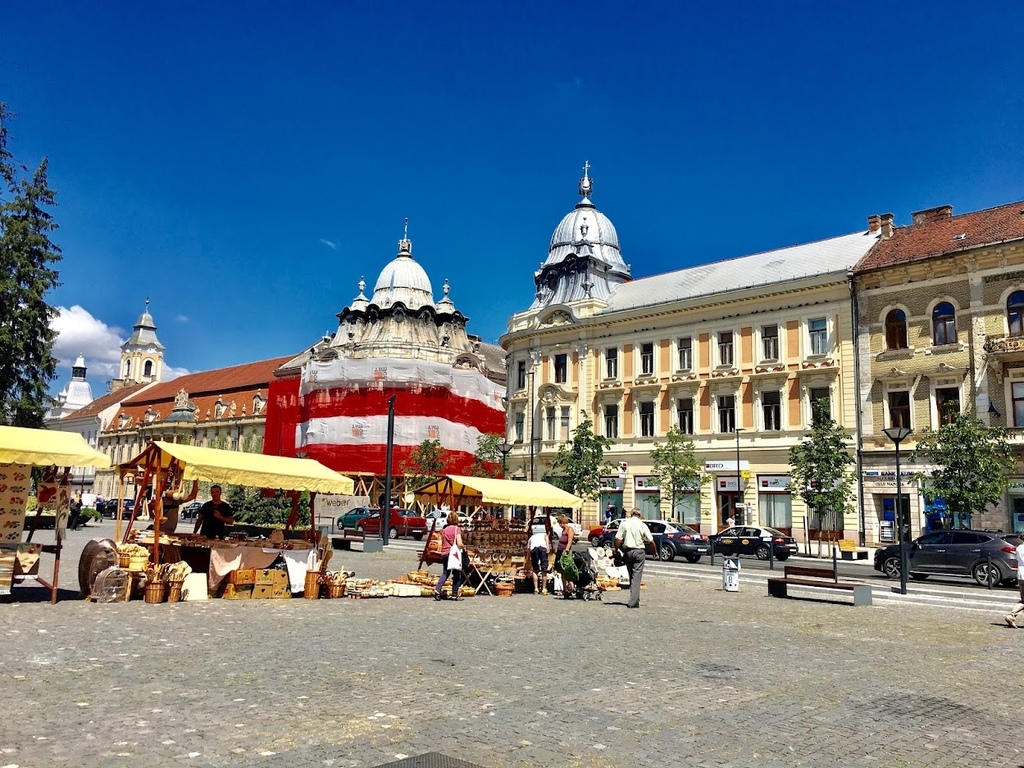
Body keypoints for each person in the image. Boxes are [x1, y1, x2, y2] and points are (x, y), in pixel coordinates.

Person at [614, 508, 655, 609]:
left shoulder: (624, 523)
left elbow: (618, 539)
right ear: (640, 515)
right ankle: (633, 601)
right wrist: (655, 552)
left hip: (628, 551)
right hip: (639, 552)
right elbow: (651, 541)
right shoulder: (642, 525)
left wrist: (616, 550)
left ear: (631, 514)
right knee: (636, 577)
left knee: (631, 575)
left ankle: (635, 599)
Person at [434, 511, 465, 601]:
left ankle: (437, 589)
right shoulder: (457, 529)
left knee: (445, 572)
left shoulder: (444, 530)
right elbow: (459, 543)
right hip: (453, 554)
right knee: (456, 574)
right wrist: (463, 546)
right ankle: (454, 594)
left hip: (445, 553)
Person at [553, 513, 576, 596]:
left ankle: (572, 588)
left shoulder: (570, 529)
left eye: (560, 523)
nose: (559, 525)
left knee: (566, 571)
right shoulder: (563, 530)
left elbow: (569, 541)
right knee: (561, 571)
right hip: (560, 551)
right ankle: (564, 589)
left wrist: (566, 550)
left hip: (565, 553)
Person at [1004, 536, 1024, 627]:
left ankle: (1011, 615)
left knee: (1023, 600)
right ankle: (1011, 614)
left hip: (1020, 575)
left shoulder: (1019, 548)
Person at [527, 519, 550, 595]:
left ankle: (536, 588)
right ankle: (543, 589)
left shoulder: (531, 537)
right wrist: (547, 547)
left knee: (535, 569)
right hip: (542, 549)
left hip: (534, 549)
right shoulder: (544, 534)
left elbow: (529, 549)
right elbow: (547, 542)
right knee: (544, 570)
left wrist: (528, 558)